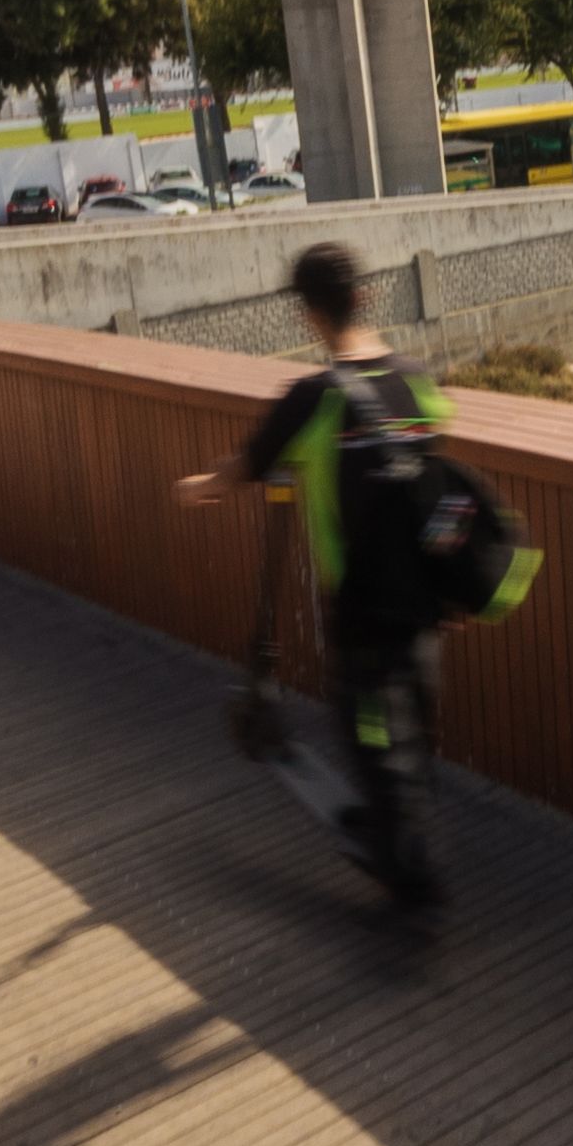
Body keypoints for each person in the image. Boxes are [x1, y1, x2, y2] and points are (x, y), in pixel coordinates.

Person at [175, 242, 453, 903]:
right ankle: (407, 849)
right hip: (426, 604)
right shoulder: (419, 382)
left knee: (368, 736)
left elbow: (242, 471)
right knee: (413, 737)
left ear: (308, 314)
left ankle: (411, 883)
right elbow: (429, 473)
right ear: (366, 297)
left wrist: (193, 489)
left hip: (362, 612)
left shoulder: (313, 399)